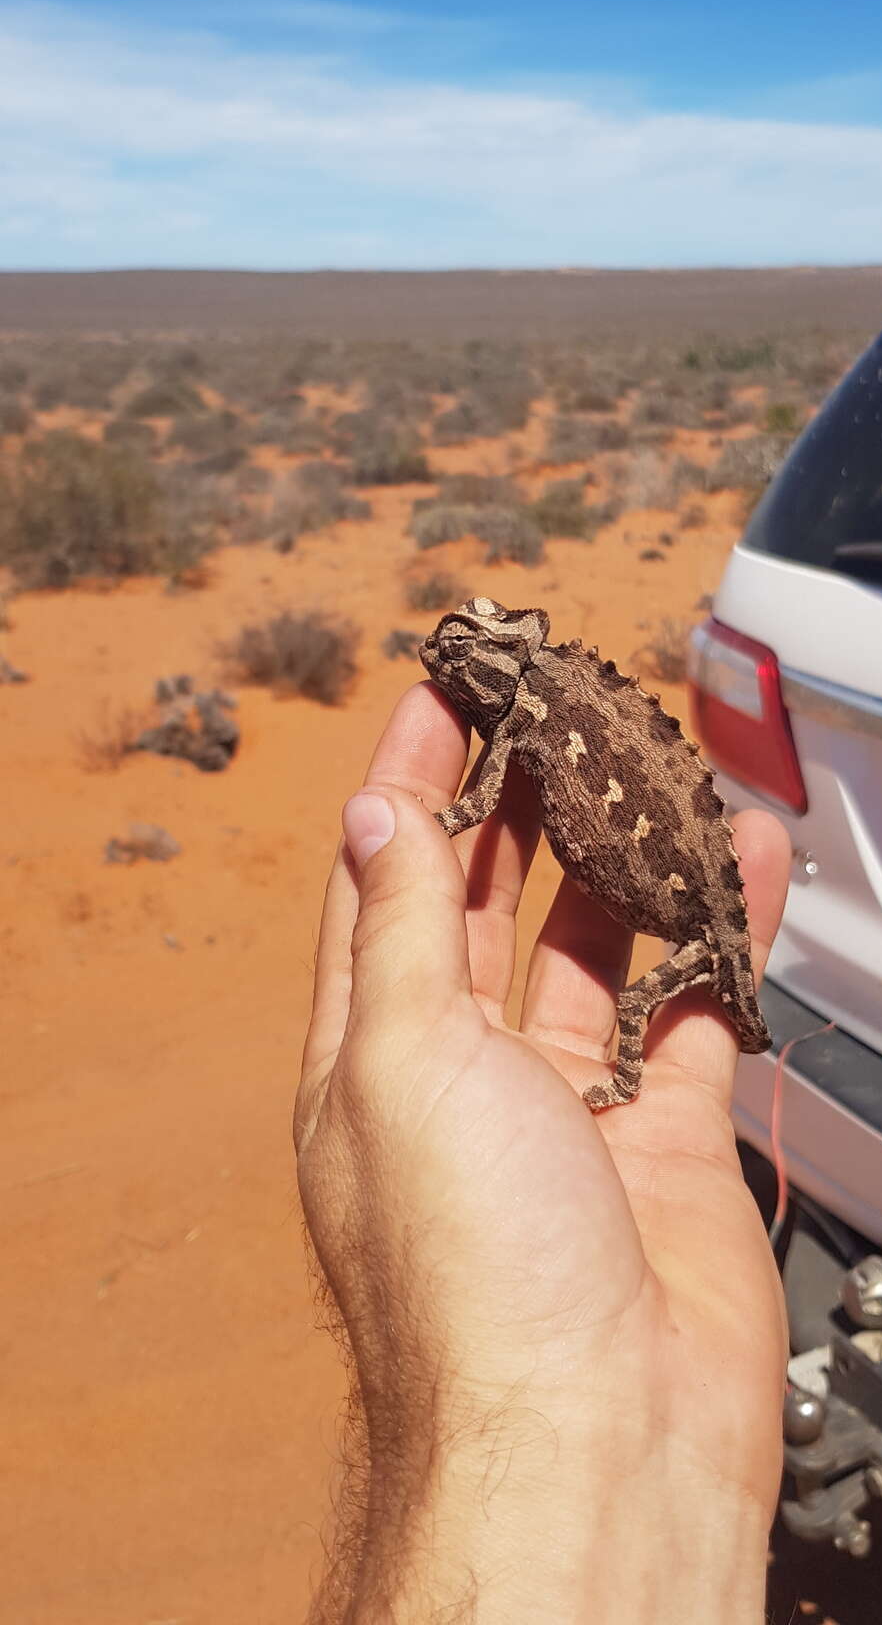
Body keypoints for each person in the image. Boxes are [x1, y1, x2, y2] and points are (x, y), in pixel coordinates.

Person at [295, 680, 792, 1622]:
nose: (461, 659)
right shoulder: (530, 708)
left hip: (693, 919)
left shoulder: (526, 712)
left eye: (477, 645)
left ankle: (633, 1071)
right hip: (685, 909)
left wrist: (419, 845)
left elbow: (478, 807)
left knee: (640, 1003)